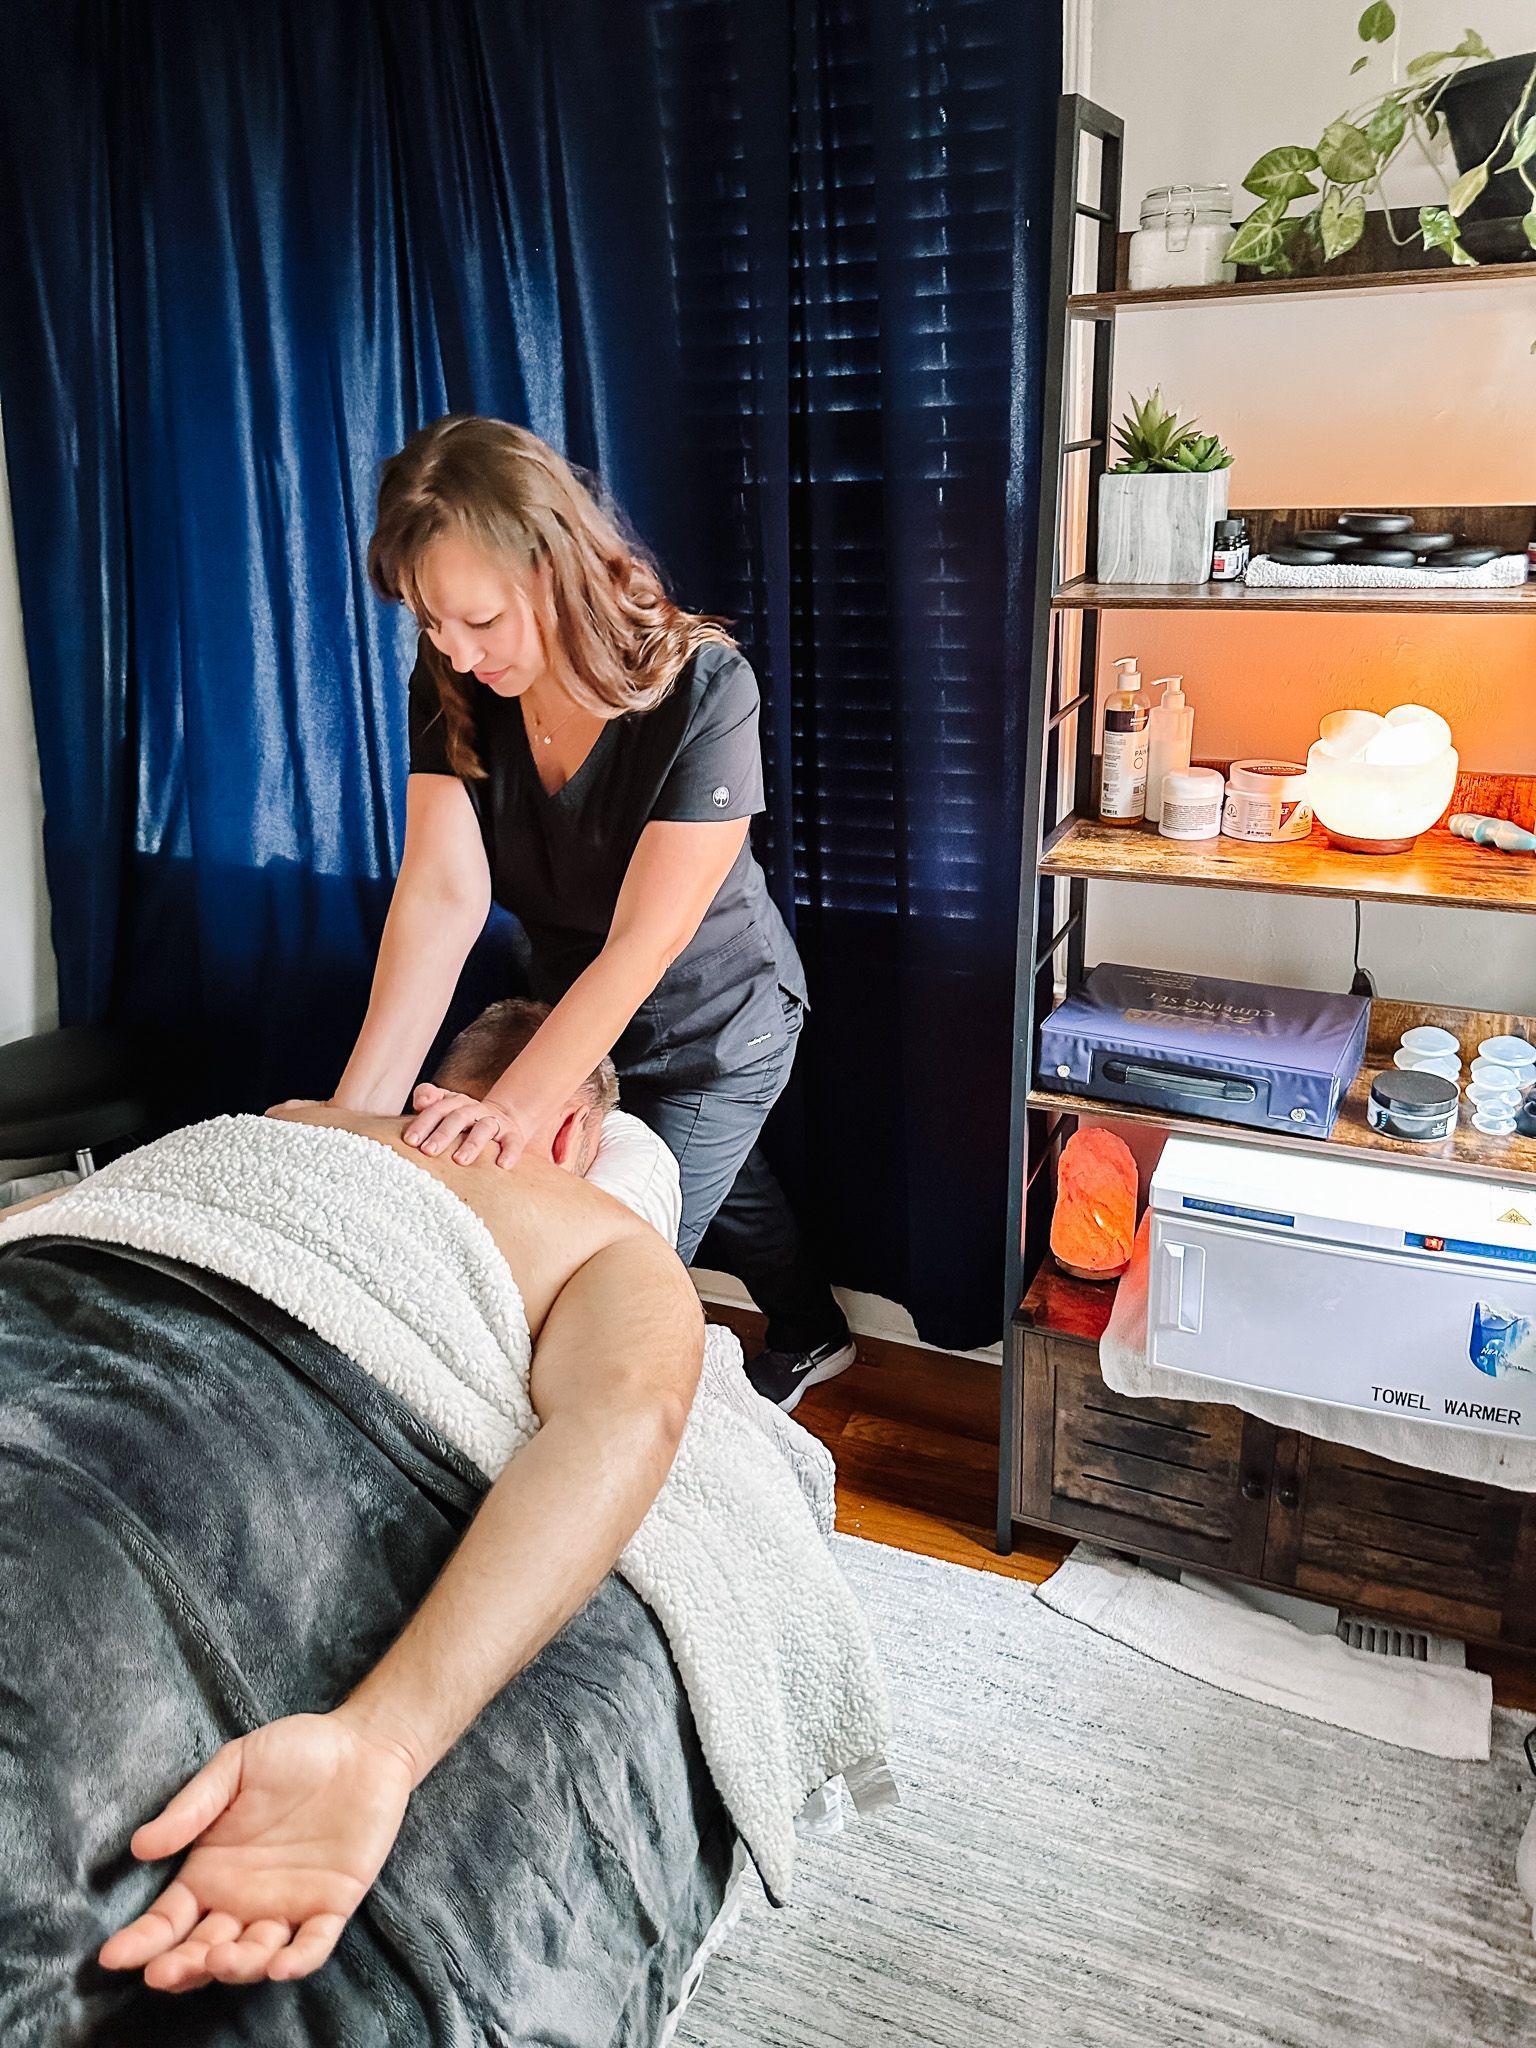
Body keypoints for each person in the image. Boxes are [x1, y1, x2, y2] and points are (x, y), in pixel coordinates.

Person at [0, 1087, 705, 1997]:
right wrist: (386, 1741)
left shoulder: (283, 1120)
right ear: (575, 1134)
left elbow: (49, 1216)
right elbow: (633, 1415)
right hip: (255, 1422)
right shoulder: (604, 1232)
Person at [330, 415, 853, 1411]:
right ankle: (814, 1325)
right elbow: (441, 896)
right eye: (430, 623)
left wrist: (508, 1118)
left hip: (716, 1022)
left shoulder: (705, 689)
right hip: (569, 1007)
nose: (454, 651)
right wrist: (349, 1126)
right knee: (725, 1180)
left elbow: (647, 940)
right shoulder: (455, 683)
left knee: (607, 1266)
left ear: (554, 569)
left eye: (479, 621)